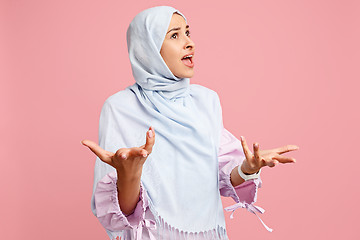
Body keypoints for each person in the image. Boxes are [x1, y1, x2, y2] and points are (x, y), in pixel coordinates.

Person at [81, 6, 299, 240]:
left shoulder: (206, 101)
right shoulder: (121, 107)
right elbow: (121, 214)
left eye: (187, 32)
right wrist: (129, 175)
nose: (190, 43)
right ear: (149, 48)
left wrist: (248, 169)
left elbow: (217, 179)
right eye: (175, 35)